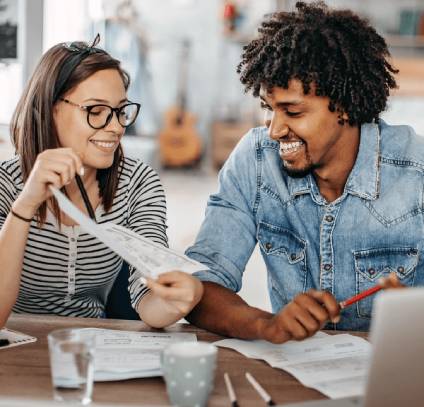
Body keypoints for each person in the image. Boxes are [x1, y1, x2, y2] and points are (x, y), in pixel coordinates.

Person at [185, 1, 419, 343]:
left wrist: (415, 313)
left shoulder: (417, 172)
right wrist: (268, 325)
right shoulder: (255, 160)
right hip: (295, 371)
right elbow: (201, 284)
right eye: (268, 108)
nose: (274, 130)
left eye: (292, 112)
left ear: (344, 106)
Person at [0, 36, 203, 328]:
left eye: (121, 111)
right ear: (50, 108)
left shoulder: (138, 183)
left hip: (92, 342)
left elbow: (149, 300)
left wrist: (179, 299)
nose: (117, 126)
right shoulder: (6, 183)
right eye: (96, 111)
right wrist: (26, 204)